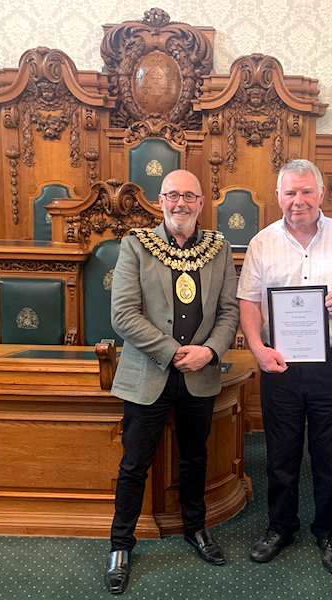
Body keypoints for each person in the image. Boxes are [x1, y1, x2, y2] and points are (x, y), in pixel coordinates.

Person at [237, 159, 332, 575]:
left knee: (331, 454)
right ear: (278, 196)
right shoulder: (262, 242)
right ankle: (280, 526)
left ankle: (329, 530)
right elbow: (248, 301)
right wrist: (258, 348)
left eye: (306, 192)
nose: (298, 201)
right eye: (290, 193)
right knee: (280, 453)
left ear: (321, 193)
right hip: (278, 364)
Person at [104, 170, 240, 595]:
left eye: (189, 196)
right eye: (172, 196)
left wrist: (209, 351)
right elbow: (123, 314)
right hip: (149, 372)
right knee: (134, 465)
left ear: (201, 202)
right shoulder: (135, 245)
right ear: (160, 201)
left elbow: (229, 312)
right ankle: (120, 546)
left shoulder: (218, 249)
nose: (180, 203)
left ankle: (196, 530)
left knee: (195, 459)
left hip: (200, 373)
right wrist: (171, 351)